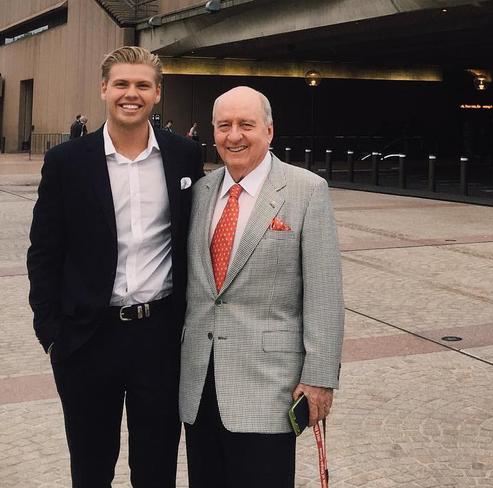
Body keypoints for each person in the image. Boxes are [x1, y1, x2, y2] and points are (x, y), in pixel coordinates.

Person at [27, 46, 204, 488]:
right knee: (90, 468)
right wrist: (52, 334)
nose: (132, 93)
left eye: (143, 85)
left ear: (158, 93)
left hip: (159, 338)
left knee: (157, 467)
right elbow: (44, 252)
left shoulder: (184, 156)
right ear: (104, 88)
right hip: (87, 339)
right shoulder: (68, 162)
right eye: (122, 84)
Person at [180, 86, 344, 487]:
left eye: (246, 125)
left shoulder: (306, 190)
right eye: (224, 125)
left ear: (269, 131)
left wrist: (319, 378)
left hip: (270, 387)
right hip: (200, 385)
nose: (234, 135)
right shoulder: (200, 192)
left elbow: (325, 294)